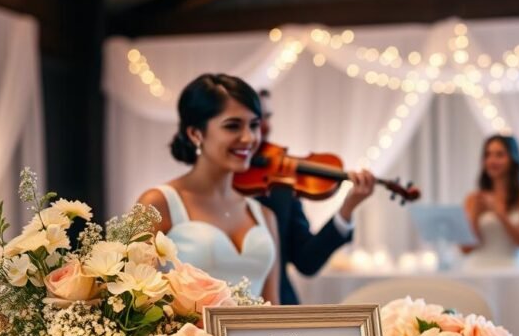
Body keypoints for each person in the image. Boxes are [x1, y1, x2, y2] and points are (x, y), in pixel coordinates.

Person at [137, 74, 280, 304]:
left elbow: (274, 308)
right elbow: (132, 303)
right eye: (233, 126)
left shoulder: (264, 215)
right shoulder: (157, 203)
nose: (249, 138)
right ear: (196, 133)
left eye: (254, 125)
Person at [254, 89, 376, 305]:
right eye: (255, 119)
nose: (265, 126)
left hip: (280, 309)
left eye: (268, 117)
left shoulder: (280, 184)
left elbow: (307, 261)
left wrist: (347, 209)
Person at [461, 134, 519, 270]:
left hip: (514, 267)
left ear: (513, 159)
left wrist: (500, 214)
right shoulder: (474, 198)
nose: (492, 160)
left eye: (499, 155)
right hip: (478, 268)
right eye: (488, 155)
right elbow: (465, 249)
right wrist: (475, 214)